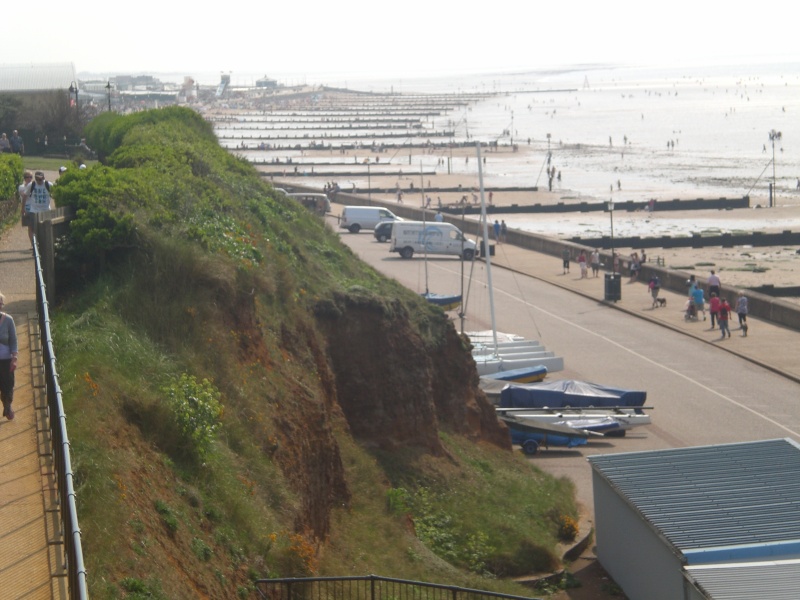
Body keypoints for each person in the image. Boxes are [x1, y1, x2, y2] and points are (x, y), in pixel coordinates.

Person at [22, 171, 56, 244]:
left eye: (40, 179)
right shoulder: (32, 185)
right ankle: (35, 245)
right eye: (37, 179)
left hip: (46, 210)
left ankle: (44, 244)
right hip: (34, 211)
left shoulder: (48, 184)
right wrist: (23, 208)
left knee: (46, 229)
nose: (39, 181)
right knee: (34, 229)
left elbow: (56, 194)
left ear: (43, 178)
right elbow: (25, 196)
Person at [0, 292, 18, 420]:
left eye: (0, 304)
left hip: (6, 360)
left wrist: (14, 358)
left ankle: (7, 406)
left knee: (8, 386)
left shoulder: (8, 320)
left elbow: (13, 340)